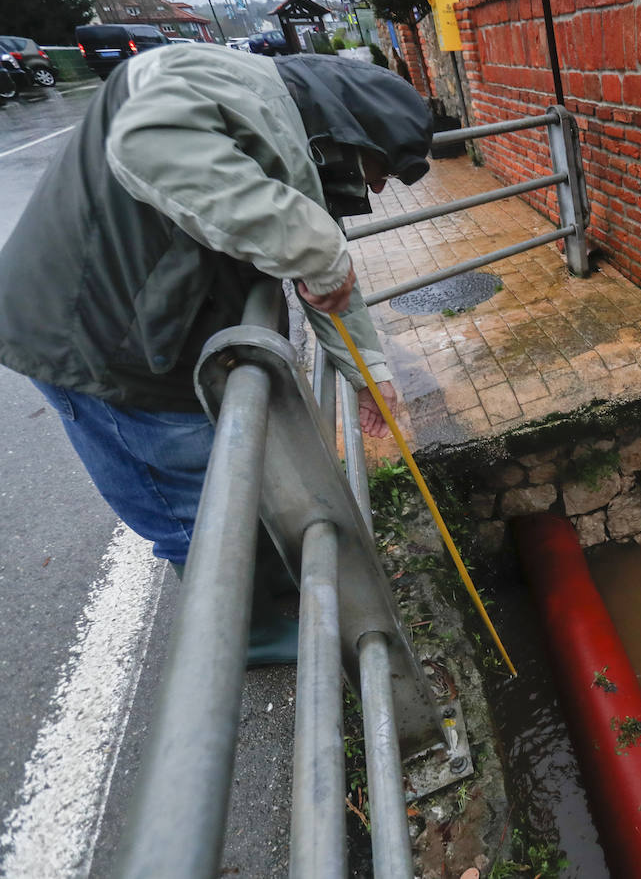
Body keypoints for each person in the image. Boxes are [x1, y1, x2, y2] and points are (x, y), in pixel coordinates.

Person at [0, 43, 433, 664]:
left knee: (237, 469)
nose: (380, 184)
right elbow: (148, 144)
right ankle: (241, 635)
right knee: (191, 500)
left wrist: (371, 373)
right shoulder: (230, 91)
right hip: (99, 344)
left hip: (161, 333)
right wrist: (314, 246)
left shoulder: (280, 121)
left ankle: (273, 578)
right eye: (381, 166)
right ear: (350, 130)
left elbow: (319, 270)